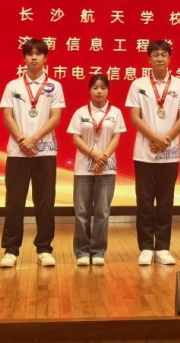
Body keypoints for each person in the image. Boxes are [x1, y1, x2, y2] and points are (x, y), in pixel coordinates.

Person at [0, 39, 65, 268]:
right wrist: (22, 140)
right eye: (30, 54)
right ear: (24, 58)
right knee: (14, 201)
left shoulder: (54, 86)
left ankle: (44, 248)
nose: (34, 57)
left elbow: (56, 117)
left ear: (46, 58)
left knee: (45, 202)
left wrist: (34, 139)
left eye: (38, 54)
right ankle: (11, 250)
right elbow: (7, 116)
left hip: (45, 151)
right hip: (17, 152)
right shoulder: (13, 86)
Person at [126, 39, 180, 266]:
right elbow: (135, 117)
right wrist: (155, 139)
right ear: (149, 59)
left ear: (170, 58)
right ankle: (146, 247)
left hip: (170, 154)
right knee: (144, 202)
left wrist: (165, 141)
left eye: (164, 55)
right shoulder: (138, 84)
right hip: (144, 153)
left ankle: (162, 247)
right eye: (155, 55)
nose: (160, 58)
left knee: (165, 202)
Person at [67, 74, 126, 267]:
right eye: (95, 87)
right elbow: (76, 138)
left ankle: (98, 251)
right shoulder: (80, 112)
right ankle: (82, 252)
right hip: (83, 169)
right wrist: (94, 154)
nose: (99, 91)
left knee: (102, 212)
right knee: (81, 212)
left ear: (108, 90)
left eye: (103, 87)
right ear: (89, 90)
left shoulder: (115, 112)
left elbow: (116, 137)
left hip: (107, 169)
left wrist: (104, 157)